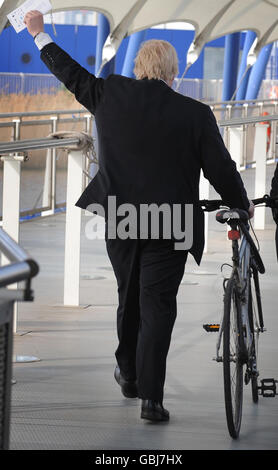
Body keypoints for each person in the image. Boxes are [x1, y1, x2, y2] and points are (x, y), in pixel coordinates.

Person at [24, 10, 254, 422]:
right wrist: (242, 204)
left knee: (128, 297)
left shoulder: (110, 95)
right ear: (172, 72)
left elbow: (71, 74)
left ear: (138, 68)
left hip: (122, 218)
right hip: (173, 224)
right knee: (158, 306)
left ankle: (128, 373)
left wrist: (39, 35)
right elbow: (221, 169)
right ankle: (152, 399)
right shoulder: (195, 114)